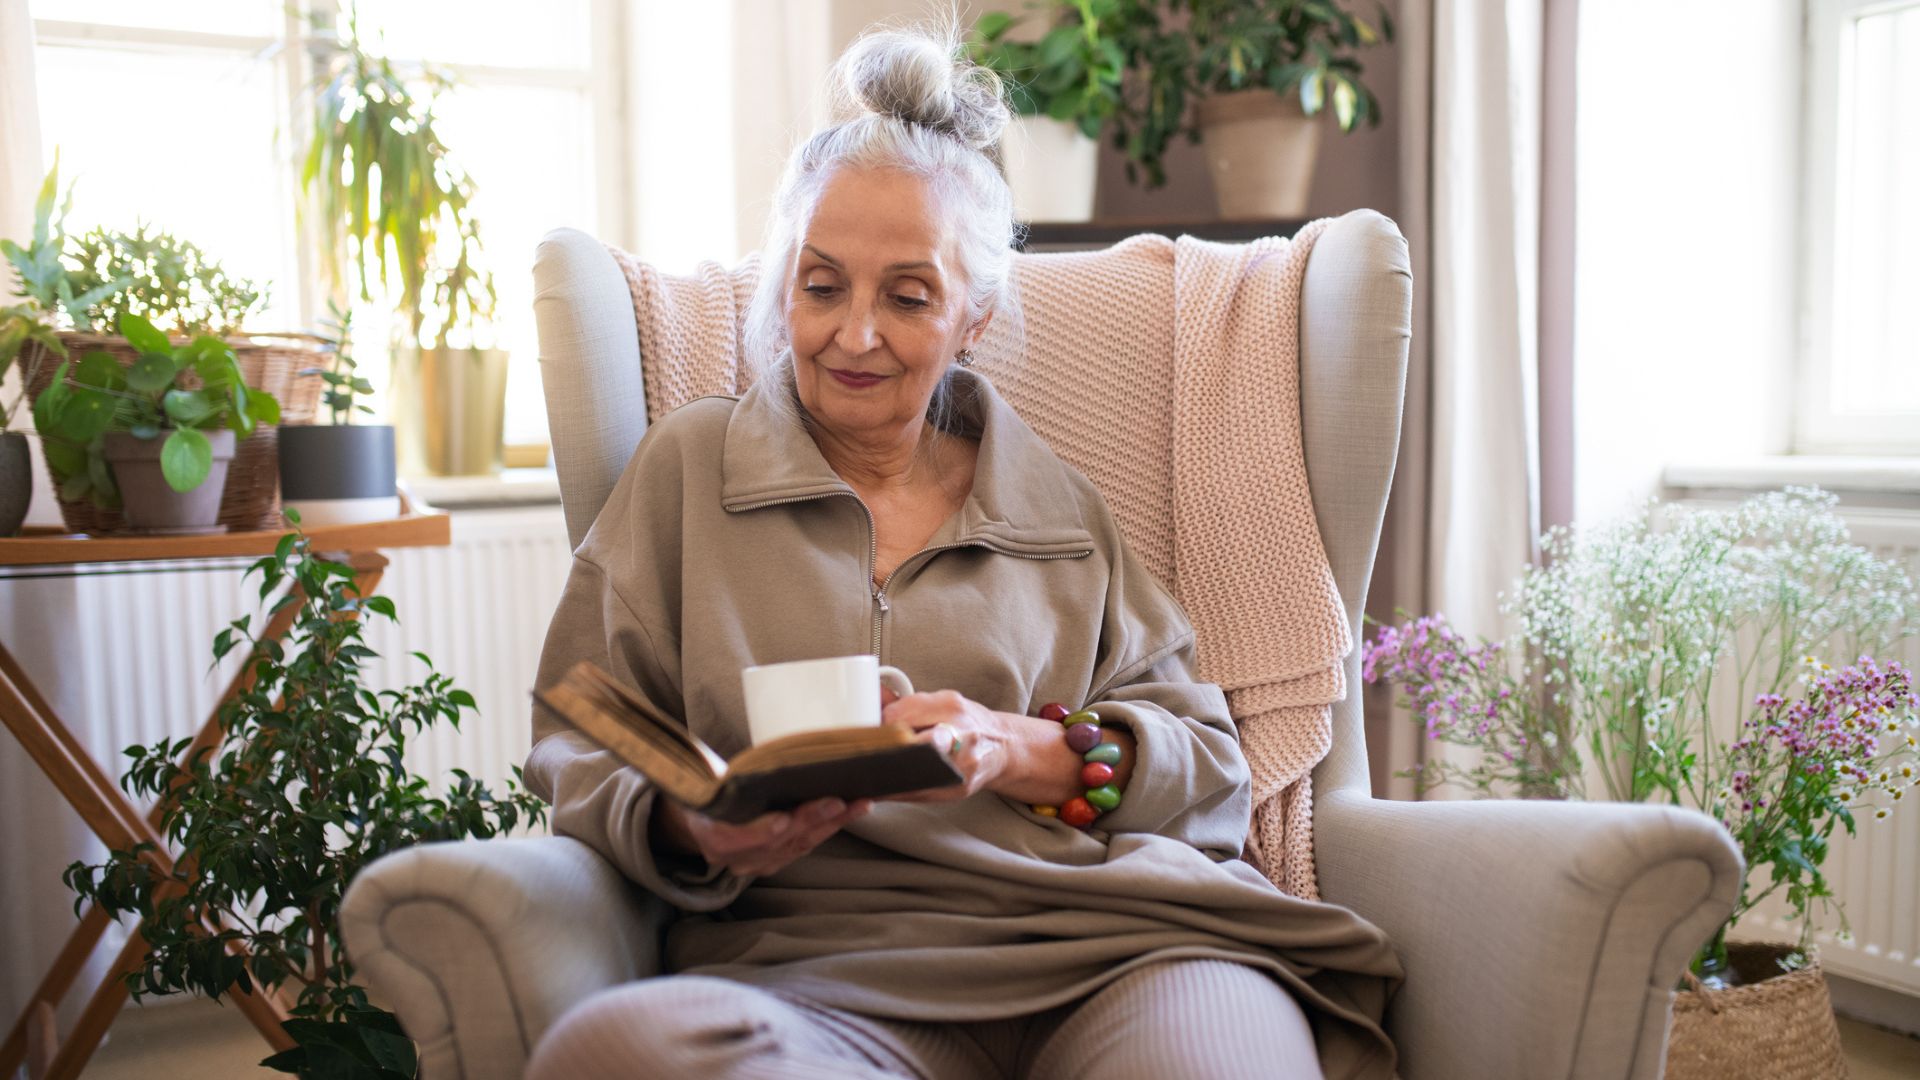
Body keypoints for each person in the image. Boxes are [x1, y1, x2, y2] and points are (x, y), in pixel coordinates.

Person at [523, 21, 1400, 1080]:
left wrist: (1017, 749)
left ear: (974, 315)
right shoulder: (688, 474)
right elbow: (581, 718)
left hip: (1118, 950)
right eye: (821, 285)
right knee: (616, 1051)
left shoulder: (1055, 508)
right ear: (782, 290)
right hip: (816, 976)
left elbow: (1208, 761)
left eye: (907, 295)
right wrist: (686, 825)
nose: (854, 334)